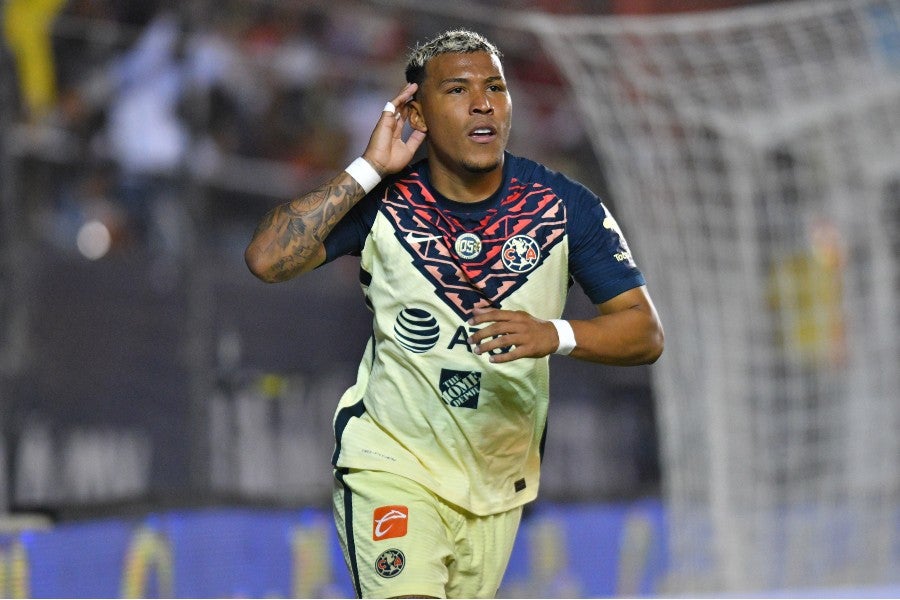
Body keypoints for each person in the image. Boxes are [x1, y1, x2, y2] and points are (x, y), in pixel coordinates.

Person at [245, 28, 664, 599]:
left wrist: (555, 333)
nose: (483, 102)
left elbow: (644, 330)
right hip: (391, 465)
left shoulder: (564, 207)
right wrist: (369, 167)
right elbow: (267, 260)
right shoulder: (384, 204)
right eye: (458, 90)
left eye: (496, 86)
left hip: (497, 485)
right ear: (415, 109)